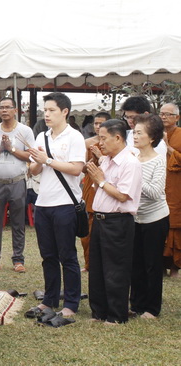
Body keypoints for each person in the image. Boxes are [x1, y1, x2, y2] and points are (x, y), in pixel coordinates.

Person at [26, 92, 86, 323]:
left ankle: (71, 303)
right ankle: (49, 299)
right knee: (48, 255)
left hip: (65, 203)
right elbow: (34, 169)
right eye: (45, 110)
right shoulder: (42, 136)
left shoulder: (75, 137)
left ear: (65, 112)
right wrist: (36, 161)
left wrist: (47, 160)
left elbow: (76, 169)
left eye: (52, 110)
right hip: (43, 202)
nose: (47, 114)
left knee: (67, 255)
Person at [85, 119, 142, 324]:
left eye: (103, 138)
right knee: (97, 268)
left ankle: (116, 315)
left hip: (118, 221)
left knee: (116, 269)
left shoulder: (130, 163)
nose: (100, 143)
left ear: (117, 137)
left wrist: (101, 180)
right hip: (100, 219)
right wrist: (99, 177)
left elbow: (122, 196)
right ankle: (99, 312)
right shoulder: (107, 160)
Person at [0, 97, 35, 273]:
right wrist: (0, 148)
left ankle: (18, 260)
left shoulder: (25, 131)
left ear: (16, 110)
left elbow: (31, 156)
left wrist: (11, 148)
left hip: (17, 182)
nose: (4, 110)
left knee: (18, 222)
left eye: (8, 107)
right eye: (1, 108)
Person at [129, 114, 169, 319]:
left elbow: (155, 192)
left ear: (152, 137)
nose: (135, 136)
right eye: (134, 132)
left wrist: (135, 176)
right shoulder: (132, 158)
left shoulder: (158, 160)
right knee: (135, 263)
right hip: (135, 217)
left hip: (156, 218)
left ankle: (152, 308)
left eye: (139, 133)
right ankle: (136, 304)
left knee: (152, 264)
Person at [80, 111, 111, 271]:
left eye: (101, 123)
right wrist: (94, 158)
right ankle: (88, 263)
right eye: (96, 123)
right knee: (88, 229)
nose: (98, 126)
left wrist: (101, 156)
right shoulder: (88, 143)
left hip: (107, 185)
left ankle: (104, 263)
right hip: (90, 186)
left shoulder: (113, 144)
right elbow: (83, 168)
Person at [161, 102, 181, 277]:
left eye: (168, 114)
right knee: (159, 224)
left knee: (175, 224)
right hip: (159, 184)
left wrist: (168, 148)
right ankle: (160, 265)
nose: (164, 117)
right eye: (162, 114)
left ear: (177, 117)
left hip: (176, 186)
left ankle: (175, 266)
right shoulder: (154, 134)